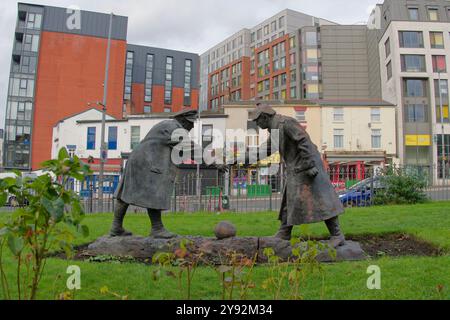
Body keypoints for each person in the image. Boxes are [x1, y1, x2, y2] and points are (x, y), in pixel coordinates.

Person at [249, 104, 346, 248]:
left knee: (322, 200)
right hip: (297, 169)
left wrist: (309, 165)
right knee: (290, 199)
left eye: (257, 120)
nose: (256, 123)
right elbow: (263, 151)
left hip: (307, 167)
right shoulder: (275, 129)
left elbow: (303, 140)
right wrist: (235, 161)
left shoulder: (286, 123)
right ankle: (284, 232)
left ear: (264, 117)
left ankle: (337, 235)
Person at [110, 109, 199, 239]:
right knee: (154, 191)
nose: (192, 126)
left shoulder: (170, 125)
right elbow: (189, 148)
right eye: (191, 123)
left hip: (142, 159)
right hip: (146, 161)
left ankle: (116, 227)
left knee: (127, 194)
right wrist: (214, 162)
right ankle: (157, 228)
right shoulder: (173, 128)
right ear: (184, 120)